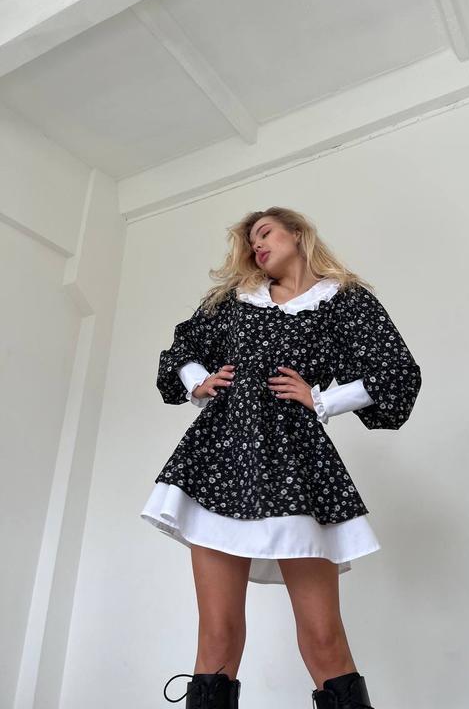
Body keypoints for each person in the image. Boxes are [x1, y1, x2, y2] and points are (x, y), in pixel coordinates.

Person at [140, 206, 422, 708]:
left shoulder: (345, 300)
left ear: (298, 232)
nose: (257, 246)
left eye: (265, 233)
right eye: (250, 241)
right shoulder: (232, 301)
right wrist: (197, 382)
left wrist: (323, 400)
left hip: (297, 466)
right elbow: (182, 348)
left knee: (324, 637)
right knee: (217, 637)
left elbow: (397, 373)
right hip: (218, 462)